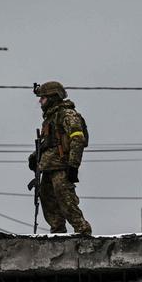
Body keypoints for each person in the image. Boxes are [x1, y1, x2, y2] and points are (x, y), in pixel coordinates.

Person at [28, 81, 92, 235]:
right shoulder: (50, 118)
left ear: (52, 97)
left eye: (43, 98)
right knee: (47, 200)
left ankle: (83, 231)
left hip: (62, 166)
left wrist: (73, 166)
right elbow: (49, 144)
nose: (40, 102)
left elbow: (78, 139)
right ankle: (57, 233)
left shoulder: (67, 114)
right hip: (49, 167)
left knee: (66, 200)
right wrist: (35, 157)